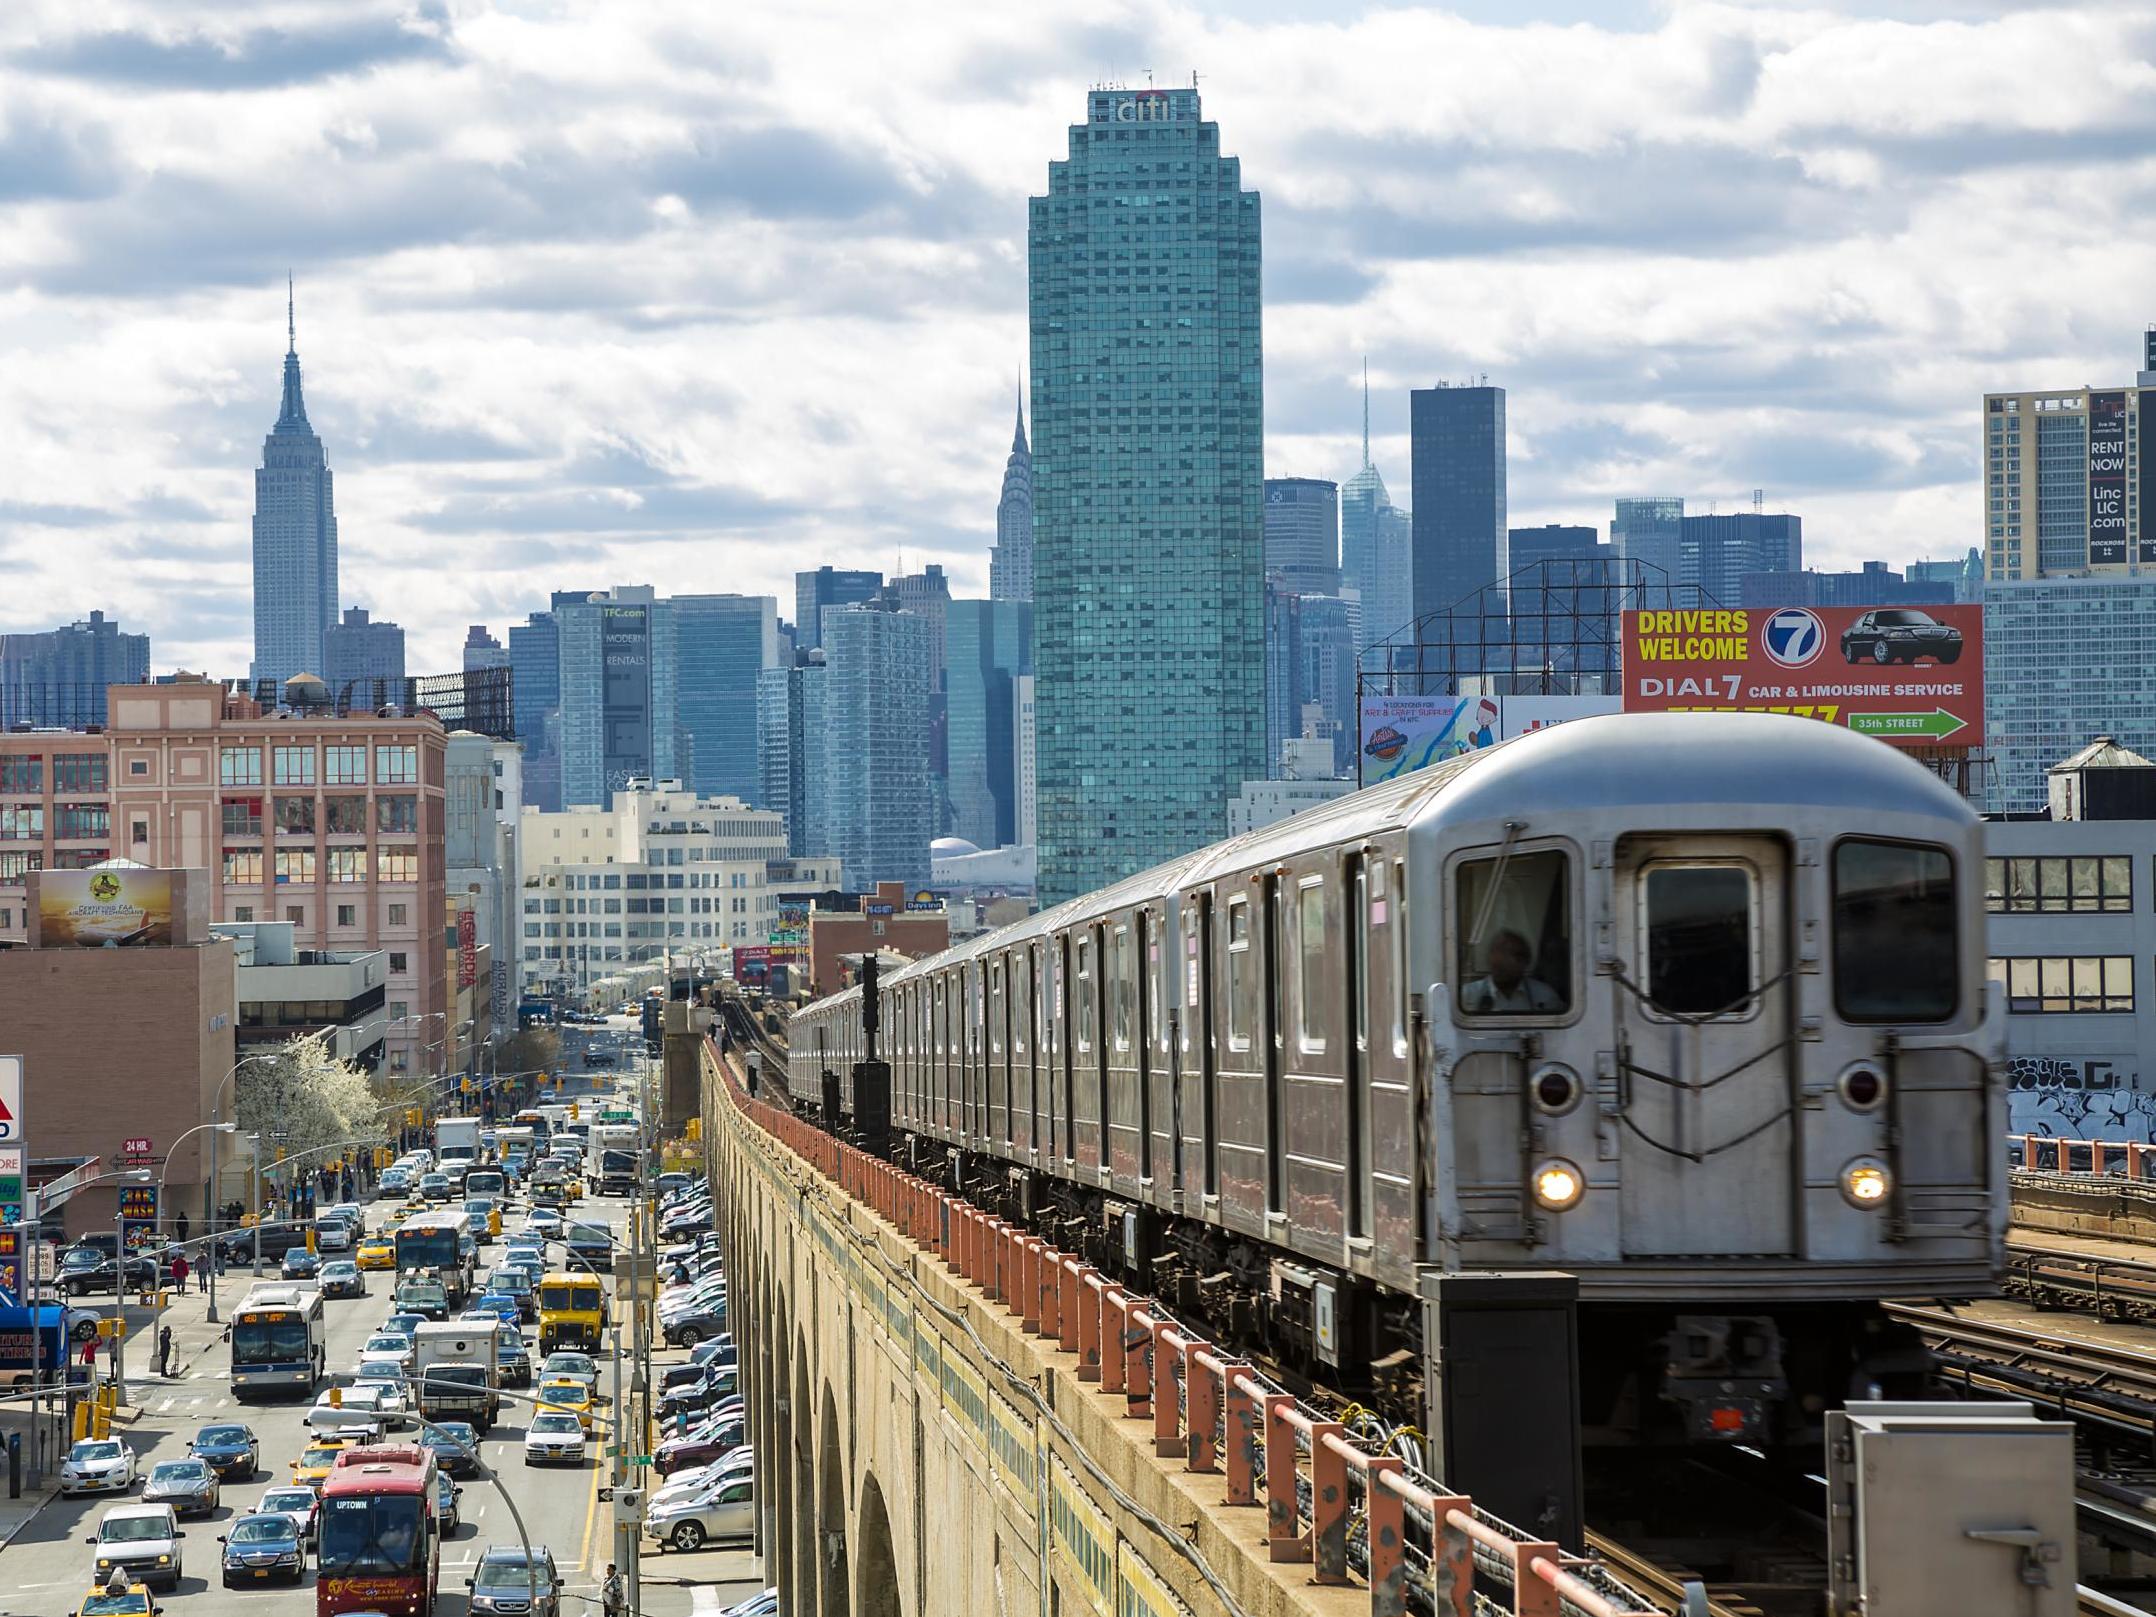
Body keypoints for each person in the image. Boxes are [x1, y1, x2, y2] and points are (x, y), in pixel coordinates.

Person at [1460, 928, 1563, 1014]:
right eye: (1496, 953)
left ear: (1525, 962)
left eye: (1509, 955)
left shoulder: (1545, 996)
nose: (1500, 960)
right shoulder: (1467, 995)